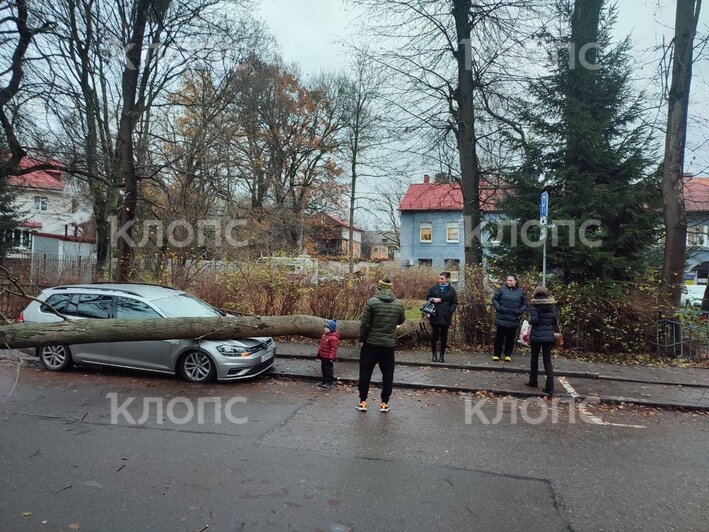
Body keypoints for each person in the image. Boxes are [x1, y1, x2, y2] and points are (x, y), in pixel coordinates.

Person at [356, 276, 406, 413]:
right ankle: (384, 403)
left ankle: (363, 401)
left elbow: (365, 324)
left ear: (379, 288)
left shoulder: (371, 303)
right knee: (388, 375)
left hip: (371, 344)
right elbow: (401, 321)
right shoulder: (398, 304)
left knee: (365, 373)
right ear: (390, 289)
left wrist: (361, 339)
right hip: (388, 346)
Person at [526, 286, 557, 395]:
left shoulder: (535, 305)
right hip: (549, 336)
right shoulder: (552, 305)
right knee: (547, 360)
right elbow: (554, 320)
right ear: (546, 294)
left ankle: (533, 381)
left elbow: (534, 320)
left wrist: (529, 321)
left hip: (536, 336)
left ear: (536, 294)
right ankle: (550, 388)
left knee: (534, 359)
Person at [491, 274, 528, 362]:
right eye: (508, 280)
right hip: (502, 318)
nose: (509, 282)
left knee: (510, 338)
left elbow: (525, 303)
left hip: (514, 318)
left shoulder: (521, 291)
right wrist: (498, 308)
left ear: (515, 281)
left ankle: (508, 355)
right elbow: (495, 299)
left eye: (511, 280)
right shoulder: (501, 290)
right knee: (499, 337)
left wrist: (520, 311)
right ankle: (496, 355)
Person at [426, 271, 458, 363]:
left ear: (447, 279)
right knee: (434, 336)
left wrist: (449, 311)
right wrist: (433, 299)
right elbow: (428, 297)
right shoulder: (433, 288)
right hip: (435, 314)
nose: (439, 280)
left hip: (445, 316)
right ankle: (434, 355)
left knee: (444, 337)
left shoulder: (452, 290)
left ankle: (442, 356)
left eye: (442, 279)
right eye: (439, 278)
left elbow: (454, 303)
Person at [316, 319, 339, 388]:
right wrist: (319, 353)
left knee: (328, 370)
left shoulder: (333, 338)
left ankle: (329, 382)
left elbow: (333, 349)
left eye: (327, 327)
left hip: (328, 357)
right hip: (323, 356)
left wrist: (331, 357)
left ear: (331, 329)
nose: (325, 329)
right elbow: (321, 345)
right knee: (323, 369)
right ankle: (324, 380)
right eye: (325, 327)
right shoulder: (324, 335)